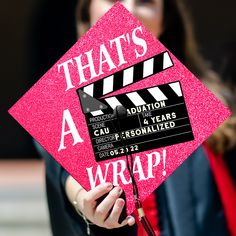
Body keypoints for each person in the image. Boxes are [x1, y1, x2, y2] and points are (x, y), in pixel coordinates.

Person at [35, 0, 236, 235]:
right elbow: (64, 169)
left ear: (165, 18)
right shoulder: (63, 107)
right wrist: (85, 200)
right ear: (87, 11)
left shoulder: (210, 101)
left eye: (145, 1)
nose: (128, 11)